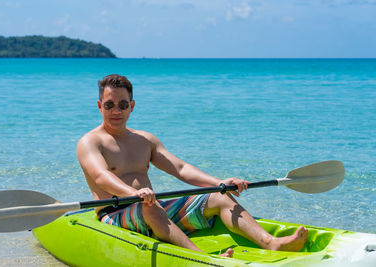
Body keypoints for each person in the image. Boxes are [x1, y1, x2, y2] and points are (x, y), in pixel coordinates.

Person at [77, 74, 308, 258]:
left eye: (122, 104)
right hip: (115, 213)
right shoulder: (90, 142)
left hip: (150, 206)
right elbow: (101, 176)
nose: (116, 111)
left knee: (220, 197)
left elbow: (181, 169)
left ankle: (271, 243)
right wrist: (134, 193)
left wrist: (219, 184)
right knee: (150, 206)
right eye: (109, 105)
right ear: (99, 106)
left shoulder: (145, 139)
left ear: (132, 106)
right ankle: (201, 259)